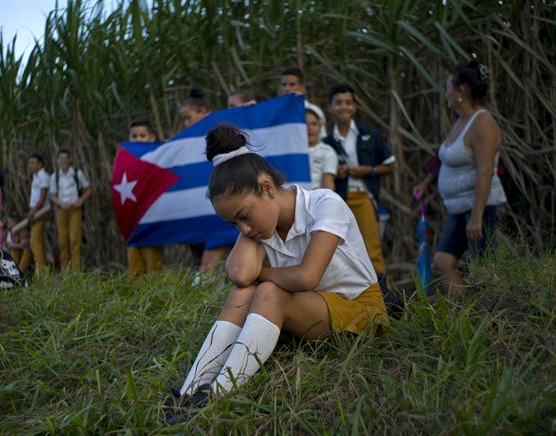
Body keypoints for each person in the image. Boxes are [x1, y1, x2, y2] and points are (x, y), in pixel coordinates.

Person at [165, 125, 388, 423]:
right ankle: (190, 392)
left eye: (244, 215)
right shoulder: (261, 227)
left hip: (359, 311)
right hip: (309, 310)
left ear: (267, 187)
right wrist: (247, 230)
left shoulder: (324, 205)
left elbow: (308, 276)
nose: (243, 228)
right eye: (234, 223)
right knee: (246, 291)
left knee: (268, 290)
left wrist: (264, 273)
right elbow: (241, 276)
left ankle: (216, 397)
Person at [413, 60, 506, 296]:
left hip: (480, 207)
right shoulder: (460, 122)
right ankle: (466, 312)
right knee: (442, 262)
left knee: (485, 269)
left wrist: (476, 217)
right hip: (459, 207)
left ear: (460, 90)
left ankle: (497, 318)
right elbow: (445, 157)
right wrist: (426, 183)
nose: (446, 93)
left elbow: (486, 171)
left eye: (448, 88)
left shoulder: (482, 122)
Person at [323, 83, 394, 277]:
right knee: (341, 253)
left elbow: (389, 165)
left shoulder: (370, 135)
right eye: (338, 103)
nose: (344, 107)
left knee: (372, 251)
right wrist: (335, 172)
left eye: (348, 102)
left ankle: (386, 300)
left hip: (363, 197)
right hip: (338, 201)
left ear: (354, 107)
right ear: (330, 108)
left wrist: (366, 170)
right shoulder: (326, 142)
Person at [178, 90, 232, 273]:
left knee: (209, 261)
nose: (186, 123)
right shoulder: (185, 143)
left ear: (204, 112)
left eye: (188, 117)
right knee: (200, 258)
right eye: (184, 120)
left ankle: (202, 299)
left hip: (222, 212)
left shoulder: (222, 132)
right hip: (200, 213)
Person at [125, 117, 164, 275]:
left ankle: (156, 296)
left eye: (142, 135)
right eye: (134, 136)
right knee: (134, 263)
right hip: (132, 219)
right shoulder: (127, 160)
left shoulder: (159, 158)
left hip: (151, 218)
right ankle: (136, 296)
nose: (138, 139)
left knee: (153, 261)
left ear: (152, 137)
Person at [49, 149, 92, 272]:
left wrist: (80, 200)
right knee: (63, 242)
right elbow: (53, 195)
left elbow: (88, 189)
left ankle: (76, 271)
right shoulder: (55, 176)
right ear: (57, 161)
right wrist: (61, 203)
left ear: (69, 159)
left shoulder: (77, 173)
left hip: (75, 209)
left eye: (65, 158)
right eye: (60, 158)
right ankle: (65, 271)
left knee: (74, 240)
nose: (63, 160)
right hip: (61, 210)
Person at [280, 67, 327, 139]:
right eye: (284, 85)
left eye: (292, 84)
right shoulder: (277, 112)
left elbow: (322, 138)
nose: (287, 89)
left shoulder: (315, 111)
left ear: (302, 87)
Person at [27, 153, 50, 272]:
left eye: (33, 163)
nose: (30, 165)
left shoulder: (44, 176)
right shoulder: (36, 177)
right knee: (38, 240)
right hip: (35, 210)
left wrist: (33, 212)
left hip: (40, 211)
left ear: (40, 164)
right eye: (30, 163)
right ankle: (43, 268)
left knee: (34, 240)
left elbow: (42, 197)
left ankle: (41, 271)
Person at [306, 108, 337, 190]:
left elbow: (328, 186)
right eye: (305, 124)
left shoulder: (327, 151)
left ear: (320, 127)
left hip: (315, 199)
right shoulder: (291, 152)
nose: (309, 128)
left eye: (314, 124)